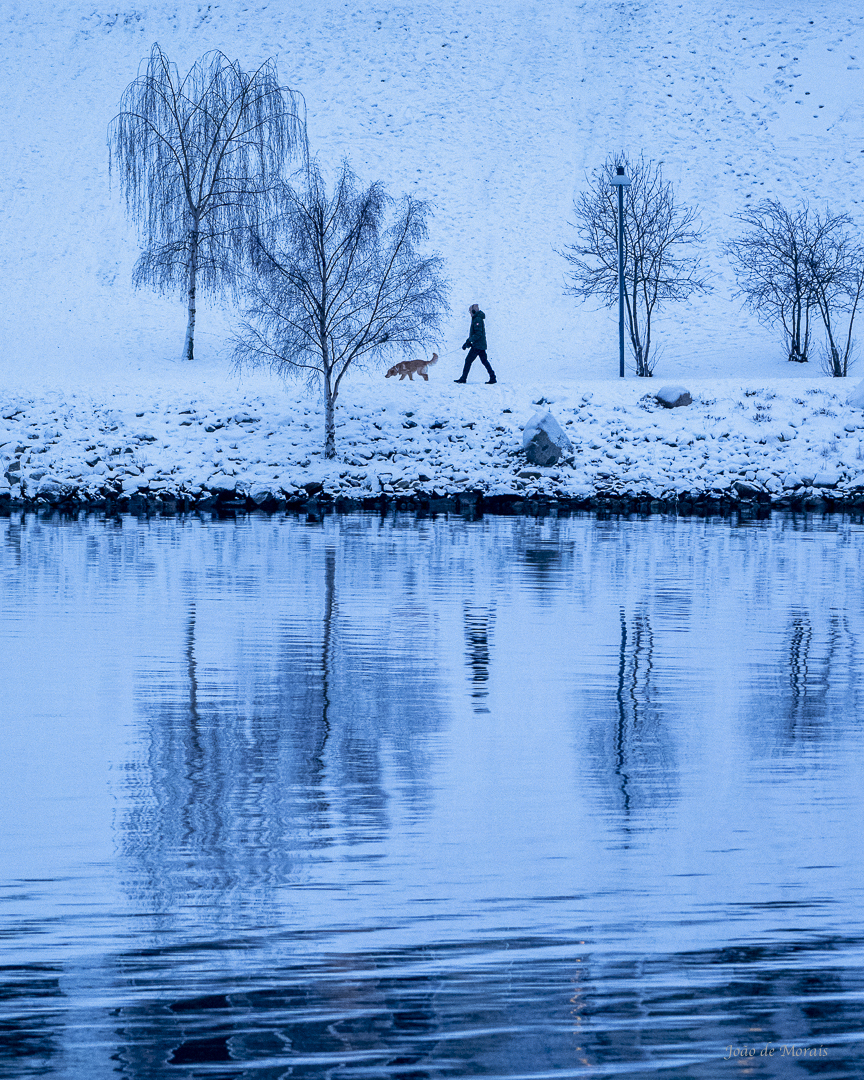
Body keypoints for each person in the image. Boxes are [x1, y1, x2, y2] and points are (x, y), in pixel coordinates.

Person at [455, 304, 497, 384]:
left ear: (473, 311)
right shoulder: (477, 318)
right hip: (480, 345)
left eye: (470, 311)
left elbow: (478, 334)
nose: (470, 313)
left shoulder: (477, 319)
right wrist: (468, 343)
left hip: (478, 345)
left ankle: (463, 378)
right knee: (484, 361)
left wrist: (468, 341)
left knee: (468, 360)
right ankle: (493, 377)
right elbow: (476, 334)